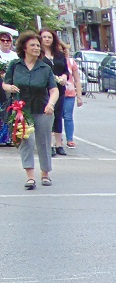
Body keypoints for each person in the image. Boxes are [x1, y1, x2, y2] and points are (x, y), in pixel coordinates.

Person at [2, 32, 58, 189]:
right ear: (24, 48)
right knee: (26, 141)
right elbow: (5, 84)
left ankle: (45, 174)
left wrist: (51, 104)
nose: (36, 48)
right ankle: (30, 177)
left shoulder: (45, 68)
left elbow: (54, 90)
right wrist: (9, 87)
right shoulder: (15, 65)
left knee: (44, 142)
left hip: (42, 109)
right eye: (32, 45)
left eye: (38, 45)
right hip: (21, 110)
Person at [39, 29, 69, 157]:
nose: (47, 39)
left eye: (49, 37)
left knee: (58, 115)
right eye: (44, 37)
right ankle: (49, 144)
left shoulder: (59, 55)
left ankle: (59, 144)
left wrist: (64, 77)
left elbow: (66, 70)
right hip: (44, 90)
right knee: (47, 116)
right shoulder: (38, 54)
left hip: (59, 89)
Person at [61, 45, 83, 149]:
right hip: (56, 93)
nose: (65, 52)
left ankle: (70, 139)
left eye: (66, 50)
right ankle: (58, 139)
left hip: (69, 94)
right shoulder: (54, 60)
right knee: (56, 117)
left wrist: (79, 96)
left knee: (68, 117)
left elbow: (77, 80)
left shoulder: (71, 62)